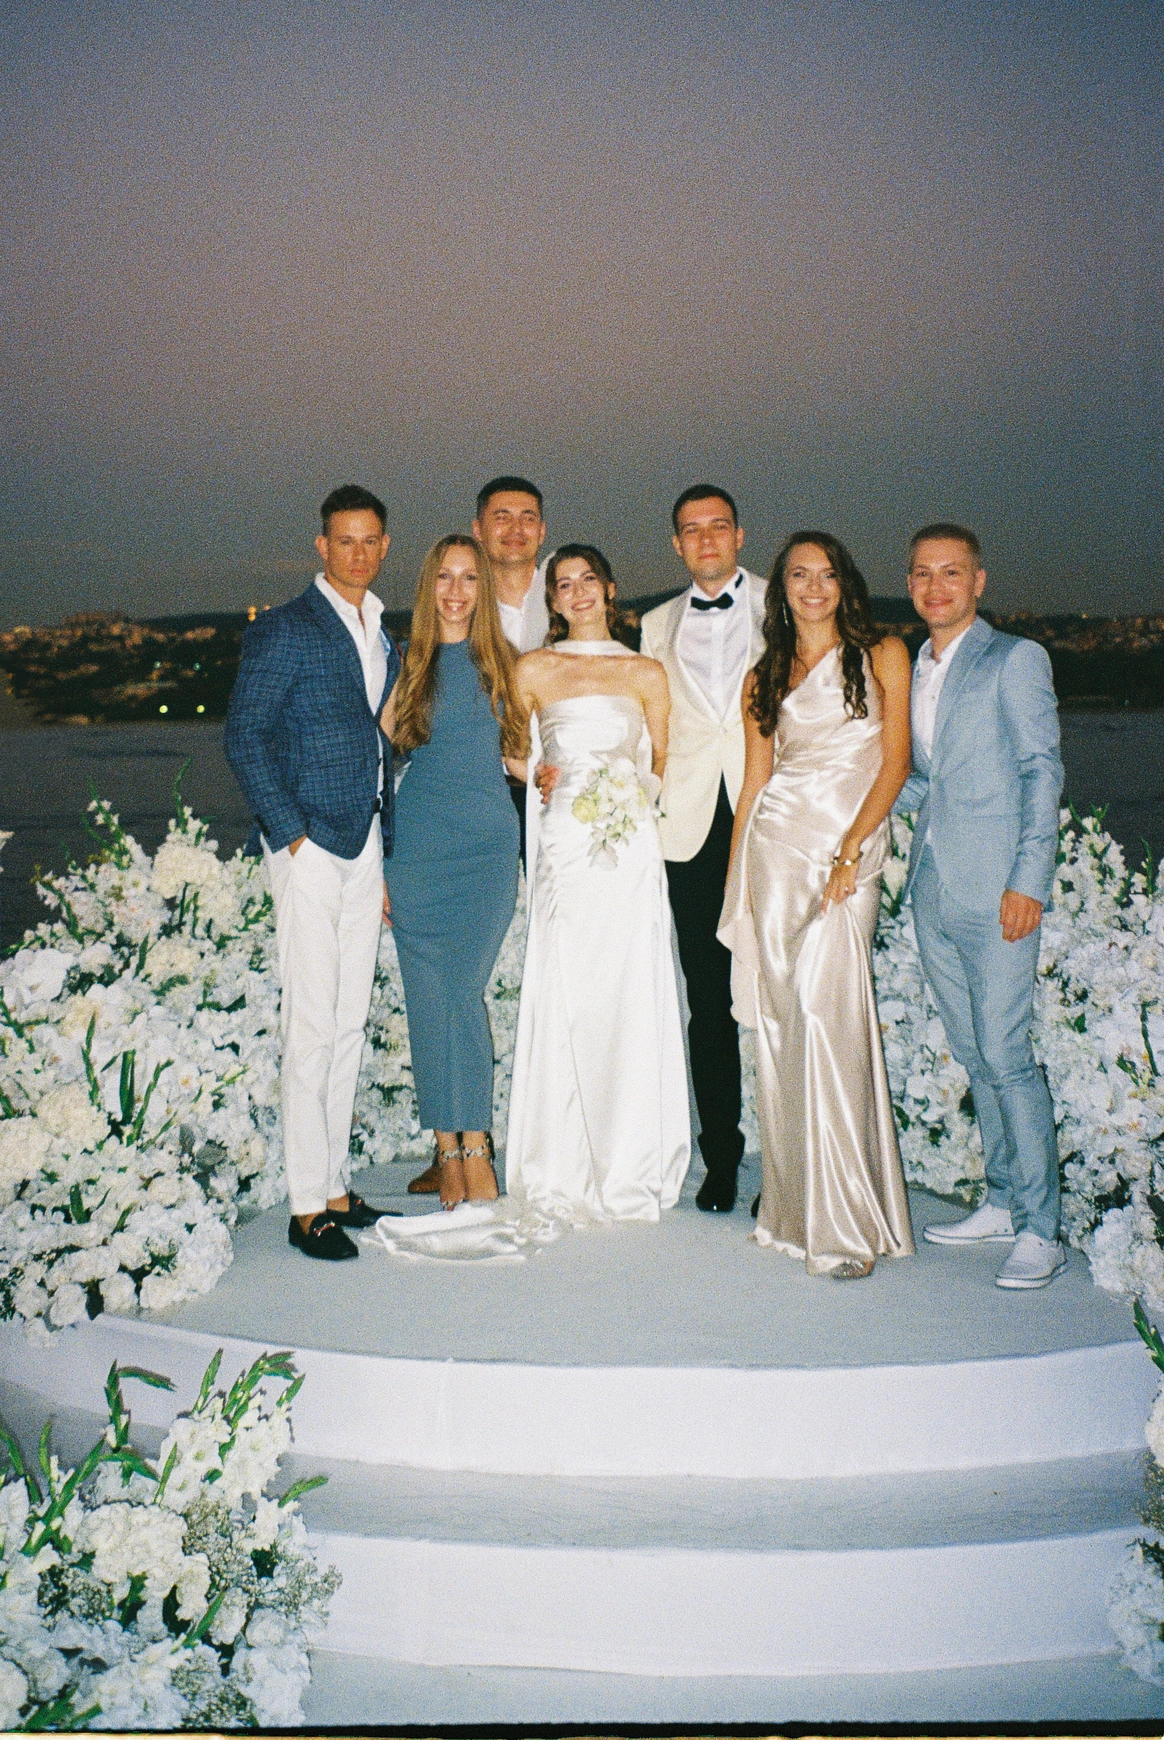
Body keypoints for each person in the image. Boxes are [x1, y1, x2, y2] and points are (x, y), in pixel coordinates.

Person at [719, 532, 915, 1278]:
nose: (813, 587)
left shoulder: (883, 654)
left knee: (831, 1019)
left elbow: (895, 761)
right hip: (776, 853)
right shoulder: (762, 676)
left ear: (845, 584)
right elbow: (754, 784)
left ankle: (847, 1219)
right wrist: (737, 883)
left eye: (827, 574)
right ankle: (794, 1211)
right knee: (782, 1027)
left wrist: (851, 849)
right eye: (799, 575)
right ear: (781, 590)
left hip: (847, 856)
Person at [225, 485, 400, 1262]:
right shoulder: (286, 628)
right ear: (322, 547)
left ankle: (333, 1185)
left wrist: (383, 842)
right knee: (311, 1028)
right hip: (310, 850)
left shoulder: (381, 631)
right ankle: (305, 1208)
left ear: (383, 547)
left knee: (349, 1021)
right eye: (344, 540)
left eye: (370, 540)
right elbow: (245, 736)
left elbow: (380, 738)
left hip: (364, 844)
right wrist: (291, 836)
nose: (358, 553)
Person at [899, 524, 1065, 1289]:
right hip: (934, 887)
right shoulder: (915, 666)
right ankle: (1001, 1200)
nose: (936, 587)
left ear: (979, 581)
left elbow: (1041, 770)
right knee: (974, 1053)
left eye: (951, 572)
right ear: (910, 584)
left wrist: (1029, 880)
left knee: (1006, 1055)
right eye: (923, 574)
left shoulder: (1015, 659)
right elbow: (922, 779)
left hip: (1000, 891)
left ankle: (1041, 1228)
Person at [503, 545, 690, 1221]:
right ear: (551, 599)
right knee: (569, 981)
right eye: (564, 584)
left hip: (628, 845)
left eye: (588, 580)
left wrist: (631, 797)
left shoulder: (645, 671)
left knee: (627, 983)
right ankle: (562, 1159)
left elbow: (660, 757)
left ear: (610, 589)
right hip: (564, 843)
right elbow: (511, 753)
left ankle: (632, 1156)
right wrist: (539, 775)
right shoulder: (533, 668)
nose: (578, 591)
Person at [383, 535, 522, 1208]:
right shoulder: (405, 662)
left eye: (469, 577)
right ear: (428, 585)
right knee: (428, 1001)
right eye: (445, 576)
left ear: (483, 589)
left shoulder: (507, 664)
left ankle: (476, 1146)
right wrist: (374, 865)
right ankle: (449, 1149)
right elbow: (378, 757)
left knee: (461, 993)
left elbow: (524, 757)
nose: (457, 590)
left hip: (488, 851)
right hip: (418, 851)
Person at [639, 486, 765, 1212]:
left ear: (740, 535)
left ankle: (792, 1167)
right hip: (687, 830)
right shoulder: (653, 624)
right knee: (708, 1003)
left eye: (719, 526)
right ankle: (722, 1157)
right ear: (677, 544)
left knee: (778, 998)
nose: (707, 538)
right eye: (692, 529)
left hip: (772, 821)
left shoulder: (788, 604)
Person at [473, 476, 550, 653]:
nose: (516, 529)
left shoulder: (568, 604)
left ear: (541, 532)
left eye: (528, 519)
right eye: (502, 518)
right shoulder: (463, 611)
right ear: (478, 530)